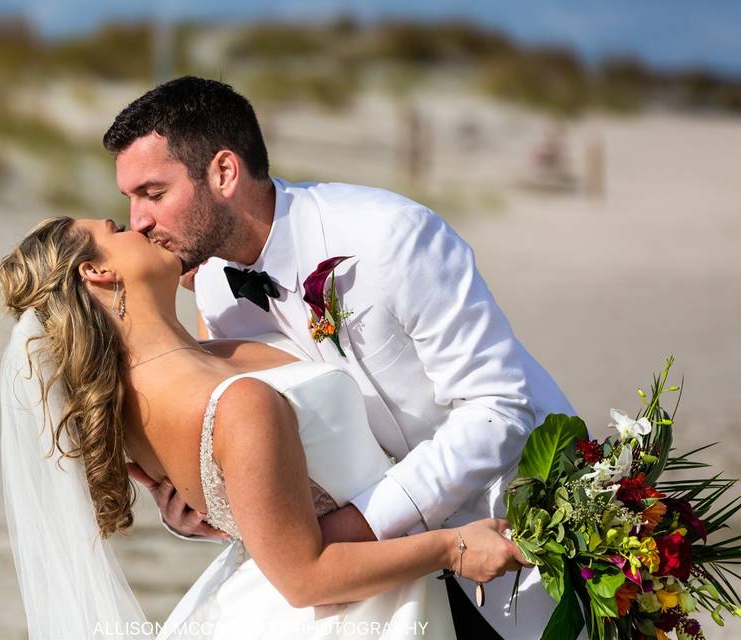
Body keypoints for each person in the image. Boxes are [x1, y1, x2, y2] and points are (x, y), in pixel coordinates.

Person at [101, 76, 577, 639]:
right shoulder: (213, 292)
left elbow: (498, 407)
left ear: (224, 173)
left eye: (153, 193)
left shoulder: (393, 236)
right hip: (369, 581)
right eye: (131, 199)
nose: (138, 221)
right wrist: (212, 510)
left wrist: (359, 527)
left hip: (520, 538)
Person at [0, 216, 529, 639]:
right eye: (115, 231)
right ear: (98, 273)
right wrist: (451, 548)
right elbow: (306, 578)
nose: (139, 226)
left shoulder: (167, 385)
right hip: (351, 610)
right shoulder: (238, 402)